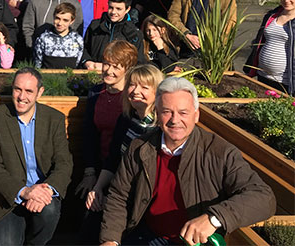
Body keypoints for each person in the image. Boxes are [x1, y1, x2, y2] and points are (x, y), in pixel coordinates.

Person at [100, 77, 276, 246]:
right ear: (157, 115)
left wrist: (214, 218)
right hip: (147, 235)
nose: (175, 120)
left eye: (183, 112)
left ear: (196, 115)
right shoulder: (140, 147)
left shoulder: (220, 152)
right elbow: (119, 196)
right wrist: (110, 239)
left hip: (197, 243)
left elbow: (263, 197)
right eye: (167, 112)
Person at [0, 67, 73, 246]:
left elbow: (64, 162)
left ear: (40, 93)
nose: (22, 97)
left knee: (50, 210)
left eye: (29, 91)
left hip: (43, 197)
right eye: (18, 89)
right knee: (6, 243)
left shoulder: (54, 119)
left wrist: (46, 191)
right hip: (10, 198)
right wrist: (25, 191)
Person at [86, 64, 163, 213]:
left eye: (144, 87)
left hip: (145, 195)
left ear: (157, 92)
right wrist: (97, 188)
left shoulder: (160, 126)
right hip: (120, 186)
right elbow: (113, 159)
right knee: (92, 211)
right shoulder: (126, 119)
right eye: (132, 85)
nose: (136, 91)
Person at [75, 41, 138, 203]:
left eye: (116, 67)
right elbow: (90, 134)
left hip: (123, 171)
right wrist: (90, 173)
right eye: (106, 64)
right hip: (97, 167)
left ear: (128, 69)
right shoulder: (96, 93)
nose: (109, 71)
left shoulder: (132, 98)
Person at [244, 0, 295, 94]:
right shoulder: (271, 16)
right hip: (263, 76)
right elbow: (259, 42)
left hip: (285, 82)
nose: (286, 0)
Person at [81, 0, 143, 71]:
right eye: (111, 7)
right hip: (92, 73)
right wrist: (87, 61)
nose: (113, 12)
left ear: (127, 9)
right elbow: (83, 48)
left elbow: (138, 62)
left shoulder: (134, 34)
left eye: (118, 9)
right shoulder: (95, 26)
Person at [33, 2, 84, 69]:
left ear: (72, 21)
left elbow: (78, 62)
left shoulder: (77, 39)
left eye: (65, 20)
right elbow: (38, 63)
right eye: (57, 18)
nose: (60, 23)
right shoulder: (43, 38)